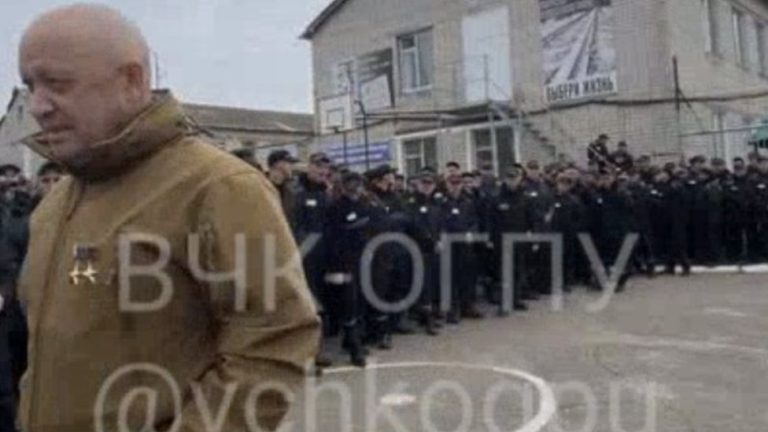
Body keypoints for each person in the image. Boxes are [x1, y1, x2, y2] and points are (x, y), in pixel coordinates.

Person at [16, 5, 319, 431]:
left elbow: (272, 343)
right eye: (29, 86)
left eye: (58, 84)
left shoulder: (217, 187)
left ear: (132, 81)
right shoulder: (53, 206)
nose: (37, 106)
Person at [267, 149, 299, 218]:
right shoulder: (263, 186)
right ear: (277, 164)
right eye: (288, 163)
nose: (291, 166)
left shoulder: (292, 188)